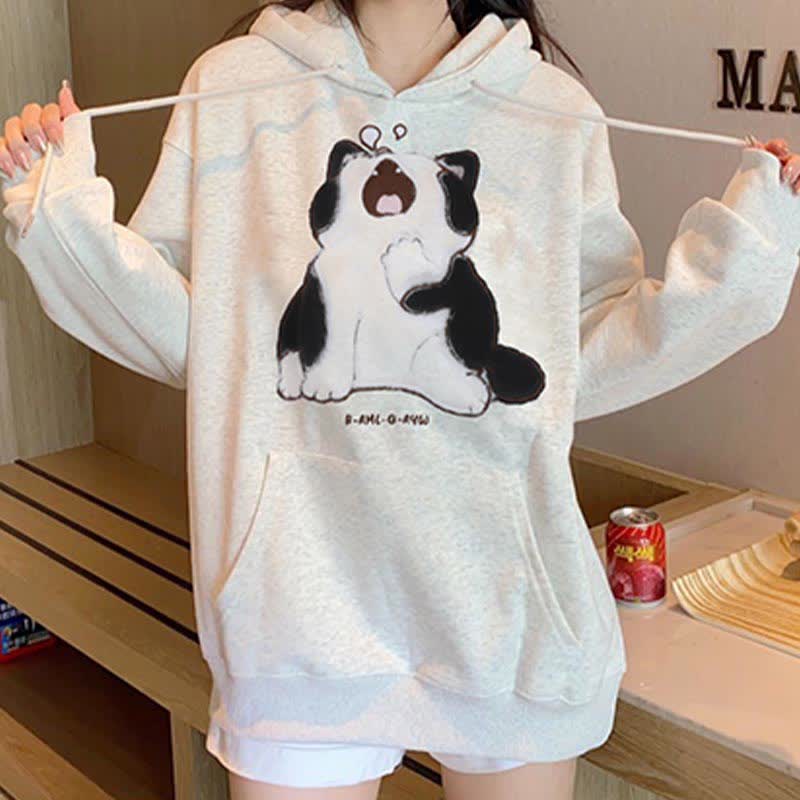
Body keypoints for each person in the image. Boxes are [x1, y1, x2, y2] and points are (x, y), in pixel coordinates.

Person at [2, 1, 800, 798]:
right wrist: (50, 209)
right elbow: (197, 336)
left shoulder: (552, 110)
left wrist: (755, 251)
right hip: (295, 618)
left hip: (507, 618)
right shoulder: (234, 86)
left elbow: (582, 353)